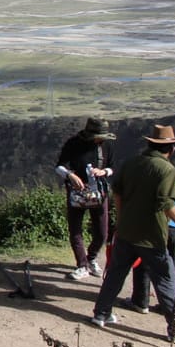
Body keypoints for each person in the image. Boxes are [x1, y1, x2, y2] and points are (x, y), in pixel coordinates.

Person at [90, 125, 175, 343]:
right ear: (171, 148)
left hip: (126, 230)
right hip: (151, 235)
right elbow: (166, 203)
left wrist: (122, 217)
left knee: (116, 273)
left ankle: (101, 313)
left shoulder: (132, 163)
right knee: (165, 279)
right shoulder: (167, 170)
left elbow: (117, 192)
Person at [56, 117, 116, 280]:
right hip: (77, 192)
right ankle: (82, 264)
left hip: (99, 193)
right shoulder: (73, 144)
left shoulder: (107, 145)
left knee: (102, 232)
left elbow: (112, 167)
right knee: (75, 229)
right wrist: (70, 175)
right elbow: (60, 166)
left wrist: (104, 172)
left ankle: (91, 258)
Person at [124, 184, 175, 314]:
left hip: (157, 226)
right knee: (171, 267)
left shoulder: (152, 182)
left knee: (144, 261)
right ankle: (170, 306)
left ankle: (140, 301)